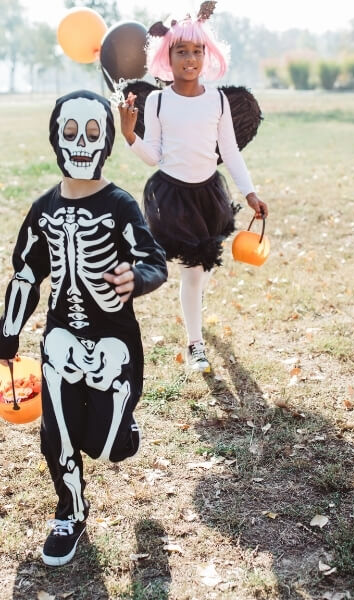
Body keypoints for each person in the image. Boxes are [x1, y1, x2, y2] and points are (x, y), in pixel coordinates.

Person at [0, 90, 168, 566]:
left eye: (92, 133)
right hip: (61, 338)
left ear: (107, 142)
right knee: (59, 434)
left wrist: (137, 277)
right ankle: (70, 510)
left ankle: (120, 430)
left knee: (108, 446)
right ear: (55, 138)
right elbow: (27, 273)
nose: (80, 142)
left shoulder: (118, 204)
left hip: (113, 341)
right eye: (70, 132)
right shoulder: (43, 209)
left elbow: (153, 260)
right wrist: (8, 330)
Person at [118, 5, 268, 374]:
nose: (190, 58)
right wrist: (128, 133)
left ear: (208, 55)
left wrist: (249, 192)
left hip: (208, 195)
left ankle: (194, 318)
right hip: (171, 197)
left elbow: (228, 152)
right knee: (192, 272)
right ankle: (195, 345)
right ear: (166, 57)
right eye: (181, 51)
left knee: (201, 270)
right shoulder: (157, 101)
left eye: (197, 51)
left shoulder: (216, 100)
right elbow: (152, 156)